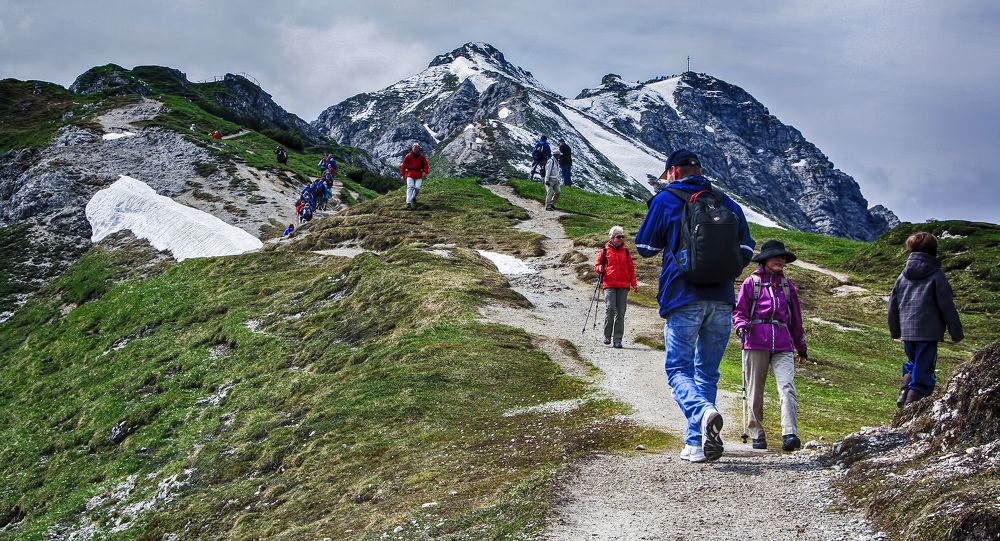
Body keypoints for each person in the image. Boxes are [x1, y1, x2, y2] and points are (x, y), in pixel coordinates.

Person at [635, 149, 755, 463]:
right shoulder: (726, 202)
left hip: (682, 296)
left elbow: (645, 247)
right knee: (707, 373)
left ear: (673, 171)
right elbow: (745, 249)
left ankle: (702, 413)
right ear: (699, 170)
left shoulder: (665, 199)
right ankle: (697, 444)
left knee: (678, 369)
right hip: (721, 299)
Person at [732, 240, 806, 452]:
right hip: (755, 341)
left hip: (783, 343)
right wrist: (741, 326)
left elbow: (796, 321)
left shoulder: (787, 286)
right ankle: (757, 433)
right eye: (776, 257)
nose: (781, 260)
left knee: (787, 387)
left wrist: (801, 346)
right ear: (765, 260)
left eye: (783, 257)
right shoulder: (751, 283)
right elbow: (739, 312)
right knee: (755, 391)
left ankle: (790, 434)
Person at [888, 232, 963, 406]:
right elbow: (947, 306)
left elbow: (892, 305)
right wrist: (956, 333)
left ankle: (904, 389)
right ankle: (914, 399)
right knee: (924, 366)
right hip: (928, 332)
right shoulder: (937, 275)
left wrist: (895, 330)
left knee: (914, 361)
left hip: (907, 332)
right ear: (934, 251)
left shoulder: (902, 276)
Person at [594, 226, 639, 348]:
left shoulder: (626, 252)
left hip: (624, 285)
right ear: (612, 238)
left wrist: (634, 283)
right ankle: (607, 336)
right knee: (610, 309)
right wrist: (599, 268)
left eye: (622, 236)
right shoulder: (604, 251)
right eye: (618, 236)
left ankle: (618, 339)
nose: (621, 239)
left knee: (621, 312)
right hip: (609, 284)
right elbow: (597, 266)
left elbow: (631, 269)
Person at [400, 143, 429, 209]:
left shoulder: (422, 157)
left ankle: (413, 197)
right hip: (410, 174)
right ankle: (408, 202)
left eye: (417, 148)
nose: (415, 149)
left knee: (417, 188)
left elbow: (425, 165)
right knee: (410, 187)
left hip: (419, 174)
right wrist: (402, 174)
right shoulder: (408, 156)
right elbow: (403, 165)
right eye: (414, 148)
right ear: (412, 148)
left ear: (419, 149)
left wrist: (425, 171)